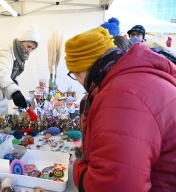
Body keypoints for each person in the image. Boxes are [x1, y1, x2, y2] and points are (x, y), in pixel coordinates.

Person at [65, 26, 176, 191]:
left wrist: (80, 166)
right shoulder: (135, 76)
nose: (79, 82)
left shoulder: (120, 96)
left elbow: (112, 185)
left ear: (83, 69)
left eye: (74, 75)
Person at [0, 24, 40, 120]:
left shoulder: (18, 57)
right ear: (21, 41)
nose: (29, 51)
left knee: (1, 126)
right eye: (28, 46)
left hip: (1, 99)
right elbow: (2, 74)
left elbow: (13, 76)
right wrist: (15, 93)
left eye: (33, 49)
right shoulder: (5, 54)